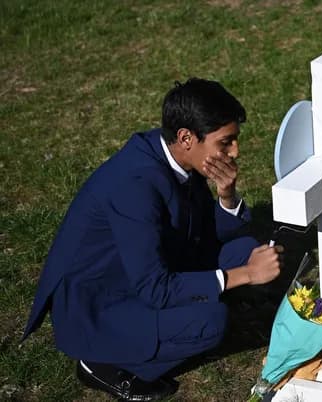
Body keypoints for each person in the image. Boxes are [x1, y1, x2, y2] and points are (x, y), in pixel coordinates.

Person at [21, 78, 282, 401]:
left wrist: (226, 196)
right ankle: (102, 363)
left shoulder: (173, 154)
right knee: (212, 321)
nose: (235, 152)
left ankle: (188, 311)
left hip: (148, 268)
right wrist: (247, 276)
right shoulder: (135, 184)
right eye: (226, 142)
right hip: (103, 305)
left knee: (245, 250)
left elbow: (200, 234)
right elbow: (154, 287)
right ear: (187, 137)